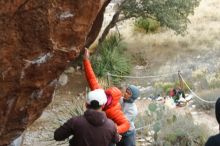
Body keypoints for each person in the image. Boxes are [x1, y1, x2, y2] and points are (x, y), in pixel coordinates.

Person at [83, 48, 130, 135]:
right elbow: (91, 78)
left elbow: (126, 124)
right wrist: (86, 60)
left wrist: (111, 130)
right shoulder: (100, 94)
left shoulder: (114, 110)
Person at [54, 89, 120, 146]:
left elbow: (57, 136)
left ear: (86, 104)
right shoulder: (111, 125)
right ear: (103, 106)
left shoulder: (75, 121)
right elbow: (116, 140)